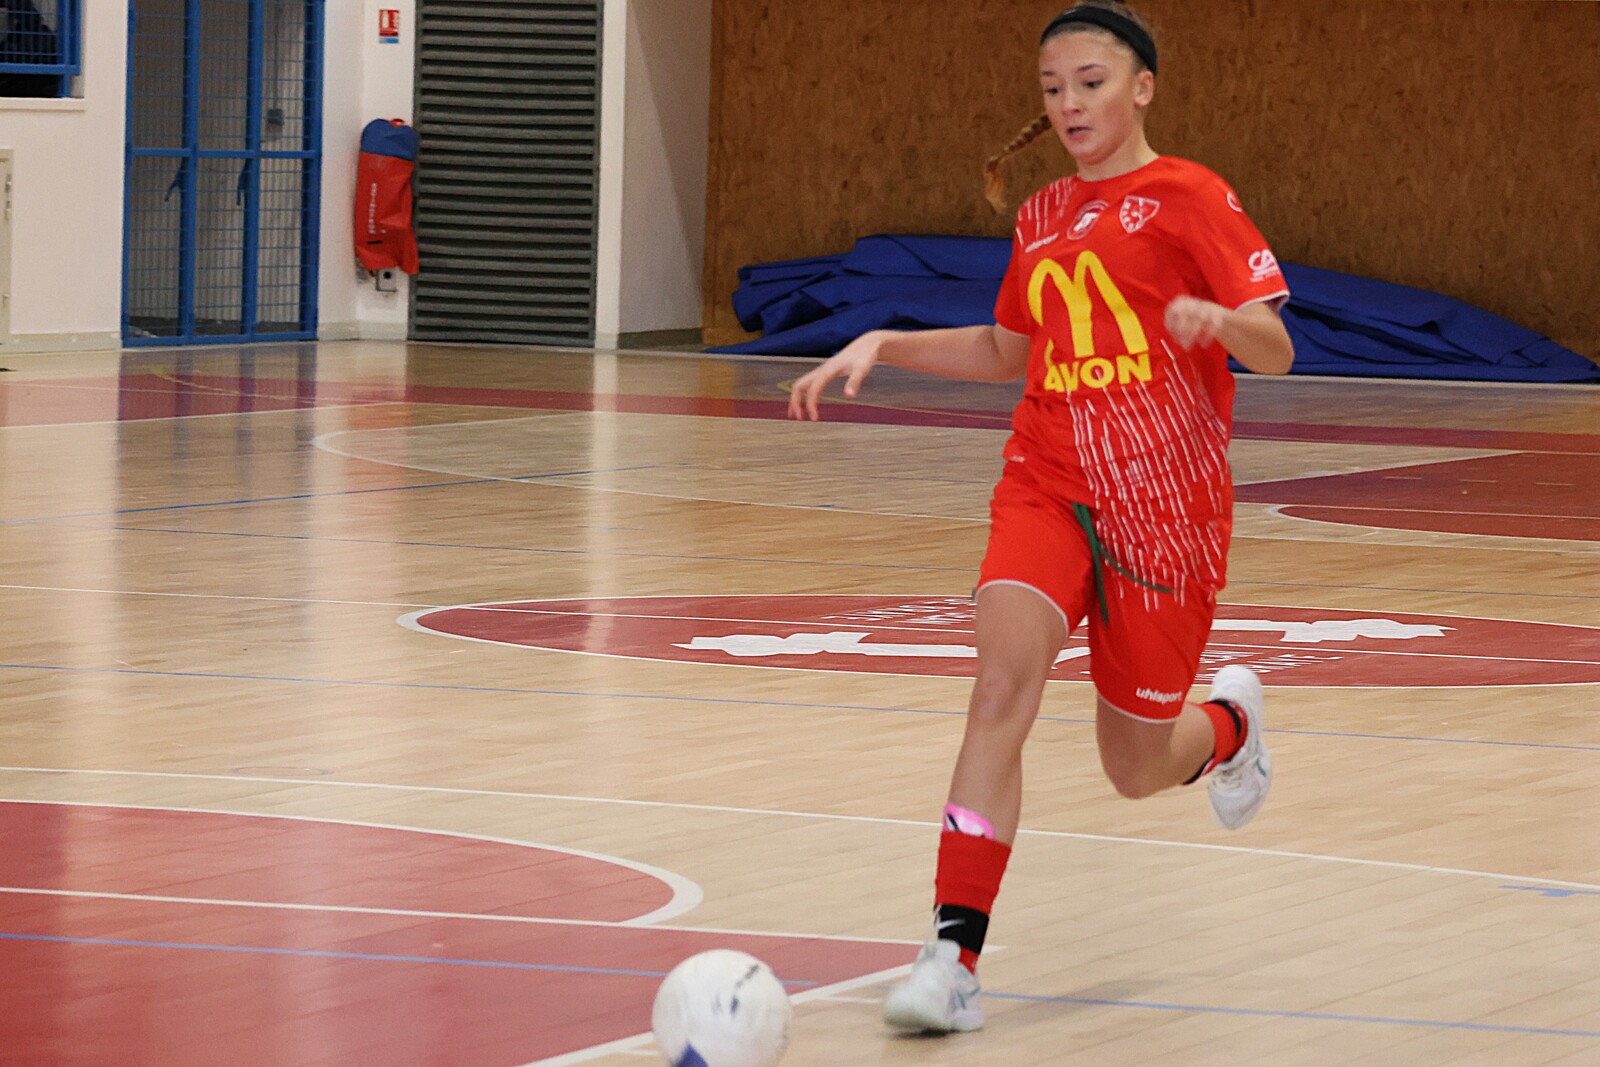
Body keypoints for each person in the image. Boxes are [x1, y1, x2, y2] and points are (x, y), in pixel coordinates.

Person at [786, 0, 1294, 1036]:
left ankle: (1230, 727)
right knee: (998, 688)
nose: (1070, 103)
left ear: (1141, 88)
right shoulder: (1043, 213)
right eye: (1053, 88)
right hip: (1046, 481)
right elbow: (1008, 351)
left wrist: (1222, 321)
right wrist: (886, 340)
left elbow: (1276, 348)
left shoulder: (1191, 195)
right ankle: (951, 956)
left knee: (1134, 766)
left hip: (1164, 510)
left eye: (1090, 83)